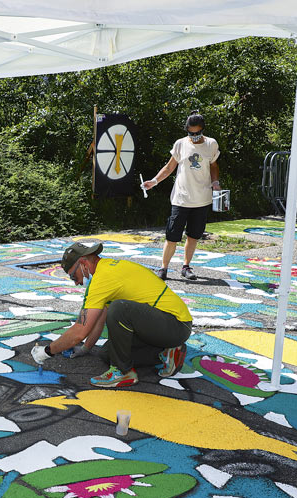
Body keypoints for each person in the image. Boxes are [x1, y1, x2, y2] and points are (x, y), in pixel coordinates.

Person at [30, 241, 192, 388]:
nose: (77, 282)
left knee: (119, 309)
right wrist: (86, 348)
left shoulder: (103, 278)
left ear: (83, 263)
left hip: (176, 324)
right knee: (108, 353)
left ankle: (124, 373)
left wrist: (48, 351)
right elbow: (99, 318)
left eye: (74, 276)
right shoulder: (107, 268)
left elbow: (80, 331)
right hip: (164, 324)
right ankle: (165, 352)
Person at [142, 111, 221, 281]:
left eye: (197, 133)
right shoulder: (180, 144)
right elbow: (169, 167)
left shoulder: (211, 144)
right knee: (172, 236)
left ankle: (186, 266)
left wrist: (215, 182)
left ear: (203, 130)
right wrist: (154, 181)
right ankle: (163, 268)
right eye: (190, 133)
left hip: (202, 199)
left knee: (193, 236)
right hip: (181, 198)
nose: (193, 136)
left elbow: (214, 165)